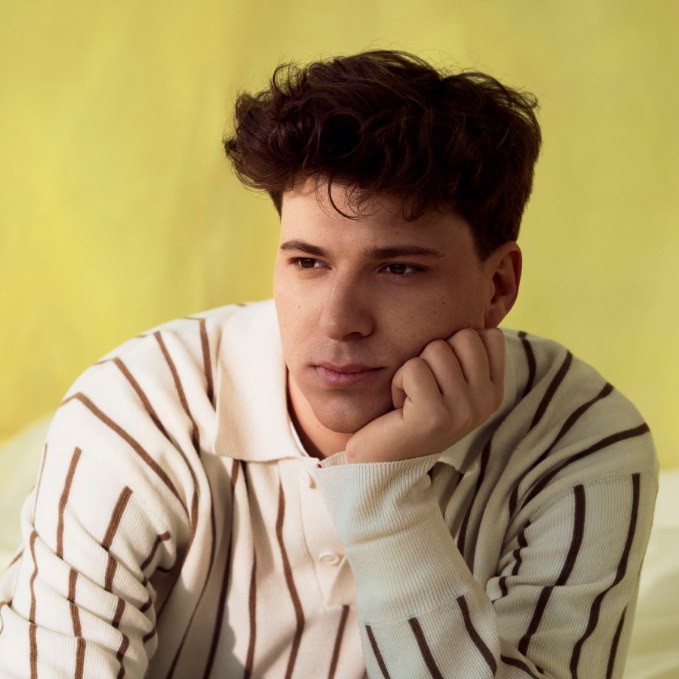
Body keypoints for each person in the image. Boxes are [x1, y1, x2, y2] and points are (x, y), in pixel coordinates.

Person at [0, 49, 657, 679]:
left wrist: (385, 496)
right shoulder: (140, 410)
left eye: (398, 269)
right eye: (308, 261)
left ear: (498, 285)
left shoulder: (580, 443)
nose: (339, 320)